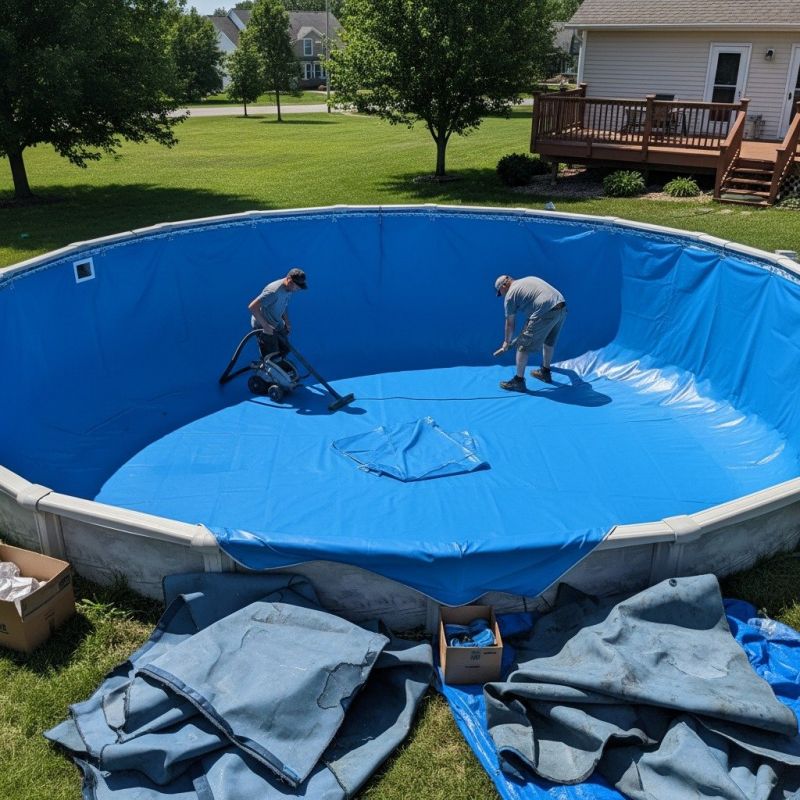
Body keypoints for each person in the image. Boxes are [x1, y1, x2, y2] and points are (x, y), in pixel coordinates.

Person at [495, 274, 567, 392]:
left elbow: (510, 324)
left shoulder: (510, 295)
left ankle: (518, 381)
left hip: (546, 311)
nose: (501, 295)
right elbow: (535, 309)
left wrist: (506, 342)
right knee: (549, 341)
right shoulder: (529, 279)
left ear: (503, 286)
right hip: (561, 308)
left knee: (522, 346)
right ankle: (545, 372)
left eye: (500, 292)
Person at [248, 268, 307, 358]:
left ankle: (277, 363)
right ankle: (267, 364)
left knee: (285, 349)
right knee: (272, 355)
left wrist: (287, 322)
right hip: (263, 324)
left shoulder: (289, 288)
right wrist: (265, 326)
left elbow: (283, 304)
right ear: (289, 280)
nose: (297, 289)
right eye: (296, 286)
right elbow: (252, 307)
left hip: (276, 322)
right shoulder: (273, 292)